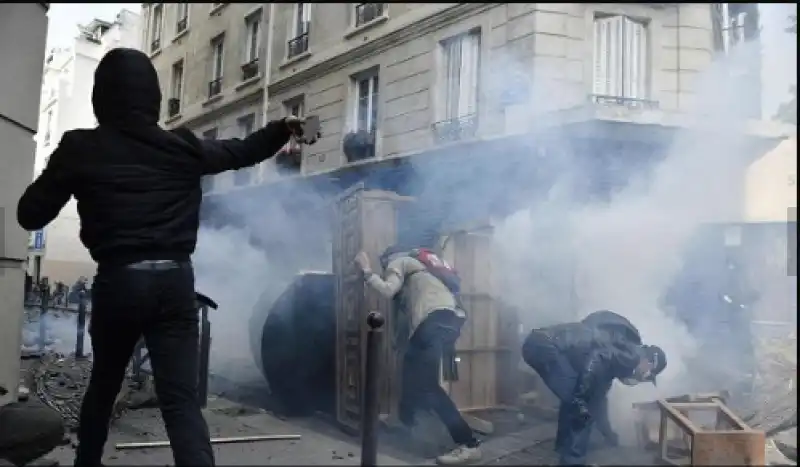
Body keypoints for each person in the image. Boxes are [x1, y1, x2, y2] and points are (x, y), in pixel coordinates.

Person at [16, 47, 319, 467]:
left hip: (118, 281)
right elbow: (241, 151)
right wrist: (282, 128)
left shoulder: (80, 148)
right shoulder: (182, 147)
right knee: (181, 401)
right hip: (174, 283)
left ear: (100, 96)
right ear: (153, 97)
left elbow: (30, 213)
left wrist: (65, 171)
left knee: (103, 388)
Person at [354, 245, 482, 466]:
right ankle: (406, 422)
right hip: (448, 322)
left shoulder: (399, 262)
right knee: (409, 367)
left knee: (428, 386)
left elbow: (386, 290)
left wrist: (366, 270)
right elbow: (411, 314)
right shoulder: (425, 271)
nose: (386, 269)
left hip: (432, 324)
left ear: (387, 260)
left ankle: (469, 444)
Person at [522, 311, 666, 466]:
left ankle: (563, 449)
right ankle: (572, 462)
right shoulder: (633, 355)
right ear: (649, 363)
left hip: (539, 343)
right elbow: (598, 357)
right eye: (647, 376)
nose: (643, 379)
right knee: (580, 407)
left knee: (579, 400)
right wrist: (581, 400)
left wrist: (608, 435)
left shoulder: (620, 350)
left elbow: (599, 399)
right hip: (546, 347)